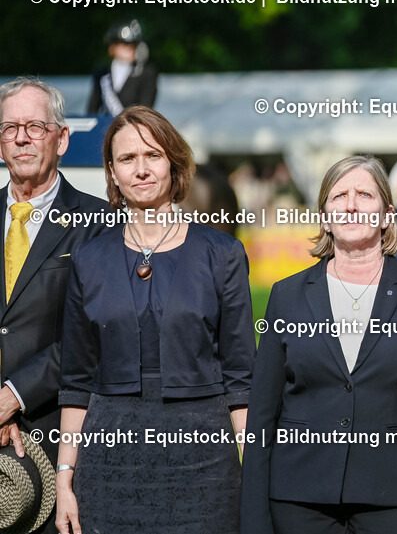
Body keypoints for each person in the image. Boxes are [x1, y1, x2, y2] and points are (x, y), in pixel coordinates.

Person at [55, 106, 255, 534]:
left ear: (174, 164)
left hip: (205, 465)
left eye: (153, 155)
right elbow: (75, 383)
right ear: (112, 171)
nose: (141, 170)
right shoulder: (89, 259)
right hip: (109, 465)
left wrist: (254, 476)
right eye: (127, 159)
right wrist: (64, 478)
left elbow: (241, 381)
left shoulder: (222, 255)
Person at [241, 155, 397, 534]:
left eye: (364, 194)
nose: (351, 204)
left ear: (387, 213)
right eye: (339, 195)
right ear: (324, 216)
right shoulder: (287, 295)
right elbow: (262, 415)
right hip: (299, 499)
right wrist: (254, 520)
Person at [0, 78, 107, 533]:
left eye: (35, 126)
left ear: (62, 138)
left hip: (52, 442)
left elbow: (93, 335)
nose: (21, 137)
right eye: (9, 127)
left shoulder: (100, 225)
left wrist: (12, 396)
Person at [87, 19, 159, 116]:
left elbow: (145, 110)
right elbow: (92, 110)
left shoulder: (146, 72)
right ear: (112, 46)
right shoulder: (101, 73)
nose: (130, 47)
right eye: (124, 43)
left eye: (134, 44)